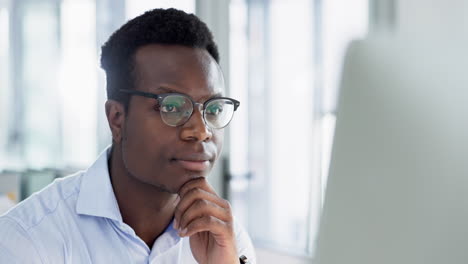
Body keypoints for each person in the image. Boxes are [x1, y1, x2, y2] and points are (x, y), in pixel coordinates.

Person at [0, 8, 255, 264]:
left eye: (213, 109)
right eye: (172, 107)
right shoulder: (26, 241)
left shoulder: (225, 238)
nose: (201, 131)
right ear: (117, 118)